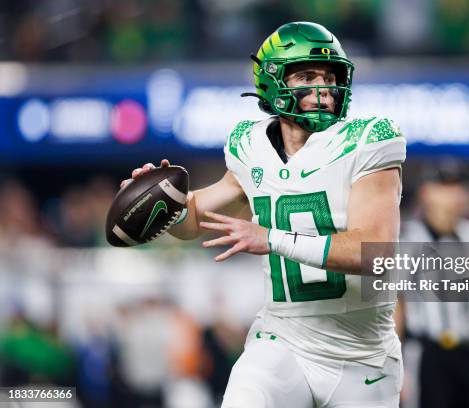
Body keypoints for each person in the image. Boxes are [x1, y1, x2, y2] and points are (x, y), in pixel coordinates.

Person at [122, 22, 407, 407]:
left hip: (363, 360)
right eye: (307, 76)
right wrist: (162, 204)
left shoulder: (368, 139)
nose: (323, 90)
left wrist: (272, 238)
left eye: (330, 76)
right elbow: (196, 219)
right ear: (272, 80)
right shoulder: (250, 146)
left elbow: (375, 253)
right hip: (285, 340)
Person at [395, 160, 469, 408]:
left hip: (464, 352)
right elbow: (396, 305)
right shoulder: (409, 237)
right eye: (446, 187)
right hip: (427, 354)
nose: (455, 195)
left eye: (460, 187)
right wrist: (393, 366)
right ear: (426, 193)